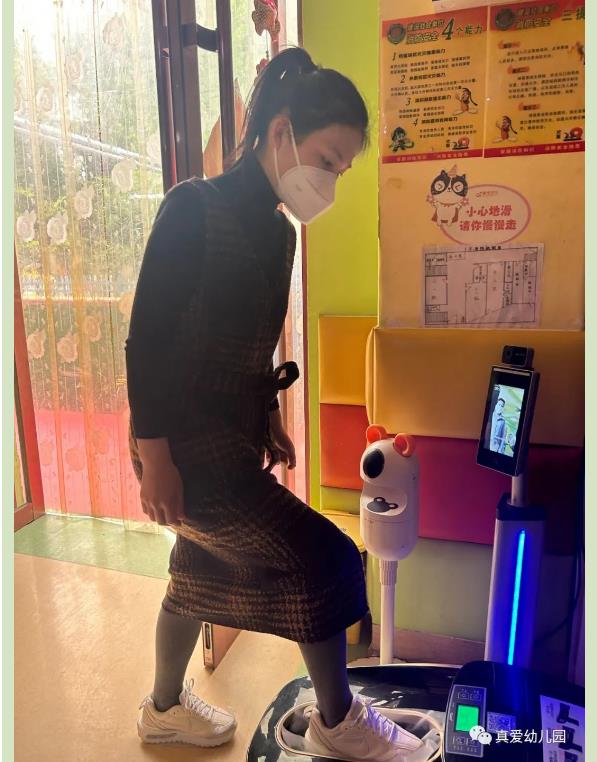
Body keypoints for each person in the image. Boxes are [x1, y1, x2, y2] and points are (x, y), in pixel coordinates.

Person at [125, 47, 422, 761]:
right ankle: (338, 720)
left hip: (232, 439)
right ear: (281, 132)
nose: (330, 182)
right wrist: (154, 458)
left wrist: (272, 421)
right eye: (327, 160)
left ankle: (162, 710)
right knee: (327, 557)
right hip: (181, 445)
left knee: (197, 573)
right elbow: (146, 341)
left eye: (341, 170)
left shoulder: (279, 232)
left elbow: (255, 348)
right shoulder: (192, 209)